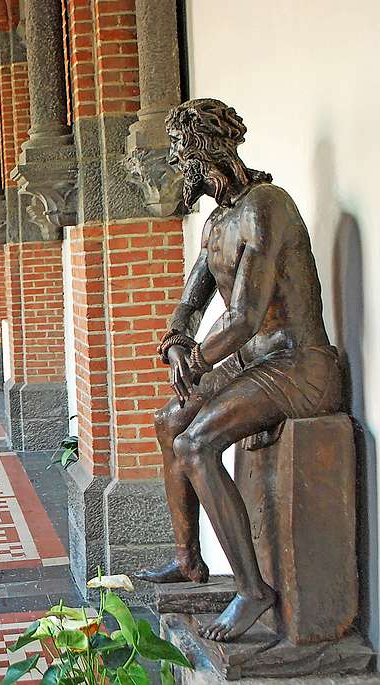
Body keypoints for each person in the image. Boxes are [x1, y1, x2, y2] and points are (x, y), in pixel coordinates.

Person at [137, 99, 343, 642]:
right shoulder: (217, 224)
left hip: (300, 366)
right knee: (168, 422)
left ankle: (254, 590)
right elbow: (191, 302)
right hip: (255, 362)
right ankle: (188, 562)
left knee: (196, 444)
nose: (179, 169)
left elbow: (245, 317)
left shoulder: (265, 207)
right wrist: (177, 344)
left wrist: (199, 361)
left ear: (204, 153)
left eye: (182, 157)